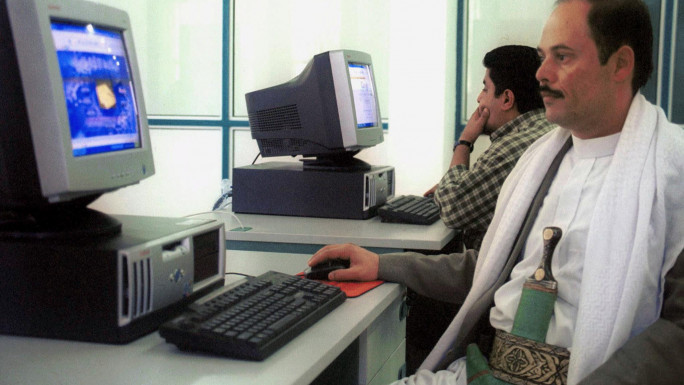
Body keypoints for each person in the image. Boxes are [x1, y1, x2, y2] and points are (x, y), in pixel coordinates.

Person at [309, 0, 684, 384]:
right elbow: (488, 269)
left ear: (621, 64)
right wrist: (383, 264)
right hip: (482, 370)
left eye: (563, 57)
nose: (542, 73)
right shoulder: (542, 159)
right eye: (542, 57)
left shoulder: (673, 171)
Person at [425, 45, 554, 251]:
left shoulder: (513, 148)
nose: (479, 98)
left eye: (485, 88)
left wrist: (464, 143)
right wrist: (455, 185)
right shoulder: (545, 128)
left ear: (506, 99)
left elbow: (452, 209)